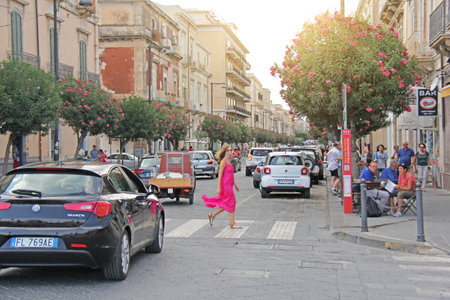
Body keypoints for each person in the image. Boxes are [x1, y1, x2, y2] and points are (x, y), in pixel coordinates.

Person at [202, 144, 241, 229]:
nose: (231, 152)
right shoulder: (223, 162)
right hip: (225, 185)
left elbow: (231, 175)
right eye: (230, 150)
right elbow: (220, 175)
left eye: (231, 150)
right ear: (225, 152)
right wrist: (218, 187)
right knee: (231, 202)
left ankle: (213, 215)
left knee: (226, 203)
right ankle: (232, 223)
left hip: (230, 185)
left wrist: (235, 185)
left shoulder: (229, 161)